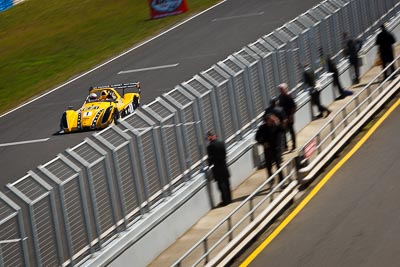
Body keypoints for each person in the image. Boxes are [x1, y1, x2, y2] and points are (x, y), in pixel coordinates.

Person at [255, 113, 284, 185]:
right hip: (267, 149)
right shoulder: (262, 128)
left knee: (278, 165)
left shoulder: (276, 126)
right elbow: (257, 138)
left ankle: (281, 181)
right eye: (271, 119)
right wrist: (263, 143)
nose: (272, 121)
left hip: (276, 148)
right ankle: (271, 180)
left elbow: (283, 130)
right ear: (267, 120)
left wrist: (278, 122)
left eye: (273, 119)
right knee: (268, 166)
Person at [206, 131, 232, 207]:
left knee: (221, 185)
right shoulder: (221, 143)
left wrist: (209, 165)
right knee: (227, 184)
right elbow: (224, 154)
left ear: (210, 137)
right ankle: (229, 199)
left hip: (217, 167)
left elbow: (211, 158)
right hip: (224, 165)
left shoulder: (210, 146)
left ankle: (225, 201)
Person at [277, 83, 297, 151]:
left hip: (289, 116)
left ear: (285, 89)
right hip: (283, 118)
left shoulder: (288, 97)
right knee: (283, 132)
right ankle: (285, 146)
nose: (281, 91)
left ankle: (294, 145)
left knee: (291, 131)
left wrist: (291, 116)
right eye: (280, 90)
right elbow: (279, 106)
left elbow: (294, 107)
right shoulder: (280, 97)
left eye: (282, 89)